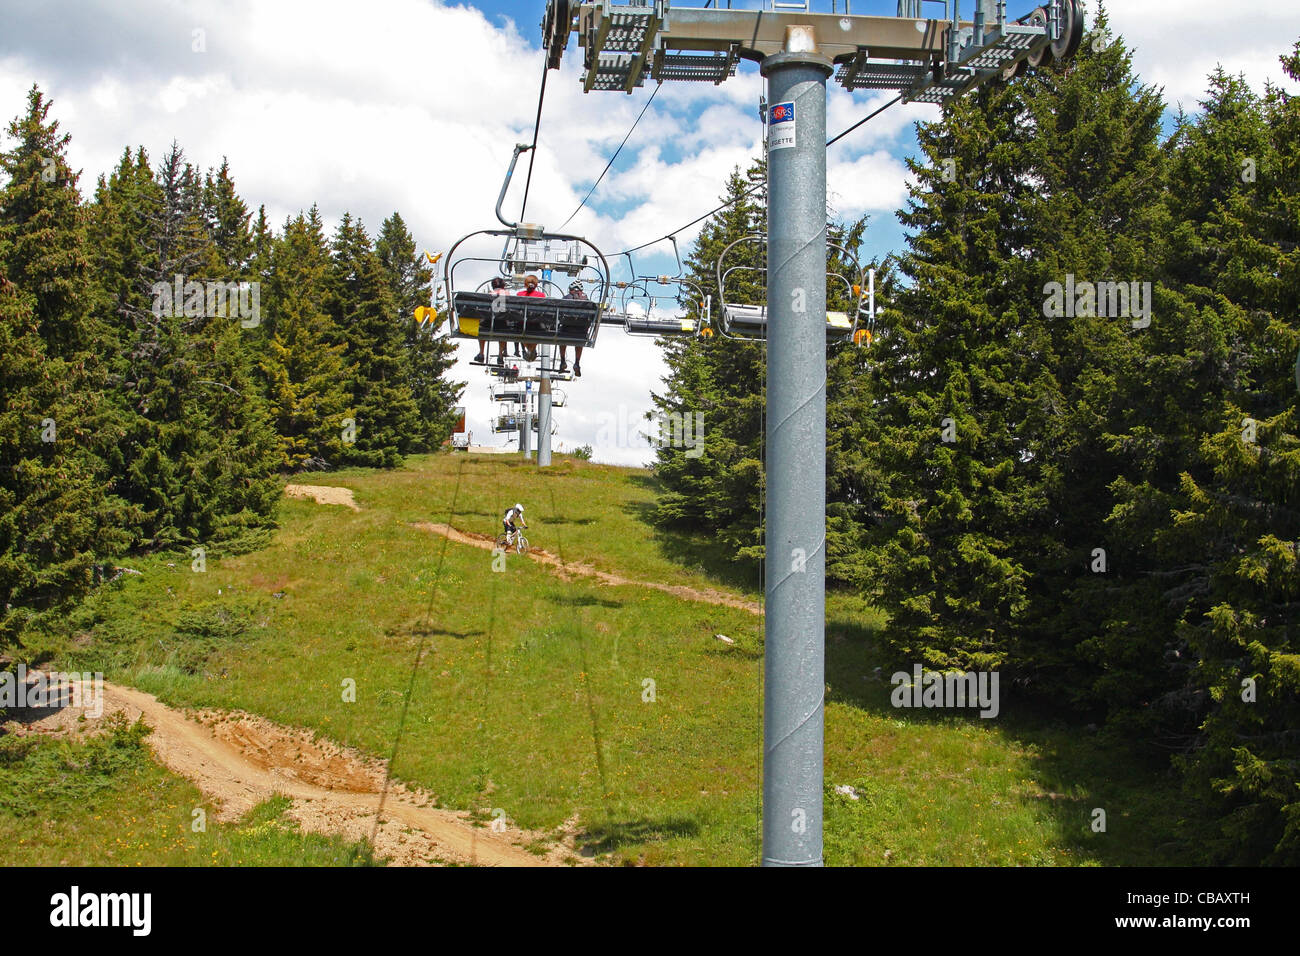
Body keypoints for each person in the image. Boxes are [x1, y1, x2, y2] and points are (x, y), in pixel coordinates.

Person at [515, 274, 546, 362]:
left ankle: (529, 350)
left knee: (522, 330)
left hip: (521, 325)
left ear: (525, 284)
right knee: (537, 332)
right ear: (536, 285)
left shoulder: (519, 294)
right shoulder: (541, 295)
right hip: (536, 325)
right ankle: (531, 349)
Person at [559, 281, 586, 377]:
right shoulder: (586, 300)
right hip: (581, 331)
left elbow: (559, 313)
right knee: (579, 342)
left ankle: (563, 360)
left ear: (570, 290)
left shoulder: (565, 298)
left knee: (562, 339)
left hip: (566, 329)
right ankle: (577, 363)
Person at [482, 277, 509, 366]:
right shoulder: (507, 294)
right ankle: (500, 354)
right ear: (503, 285)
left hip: (488, 322)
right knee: (503, 334)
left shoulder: (490, 294)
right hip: (502, 322)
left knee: (481, 331)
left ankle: (481, 352)